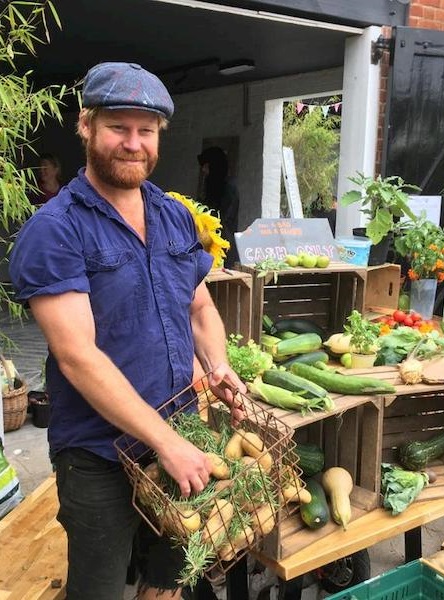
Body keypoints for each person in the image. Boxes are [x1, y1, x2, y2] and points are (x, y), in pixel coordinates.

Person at [9, 62, 245, 600]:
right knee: (98, 590)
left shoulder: (174, 216)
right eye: (119, 126)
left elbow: (201, 306)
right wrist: (166, 443)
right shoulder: (55, 230)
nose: (133, 143)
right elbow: (77, 357)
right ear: (86, 125)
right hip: (99, 454)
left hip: (182, 436)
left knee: (166, 582)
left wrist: (219, 366)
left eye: (147, 130)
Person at [197, 146, 240, 267]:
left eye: (206, 166)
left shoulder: (229, 189)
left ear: (214, 166)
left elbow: (224, 222)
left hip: (222, 247)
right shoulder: (210, 186)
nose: (204, 170)